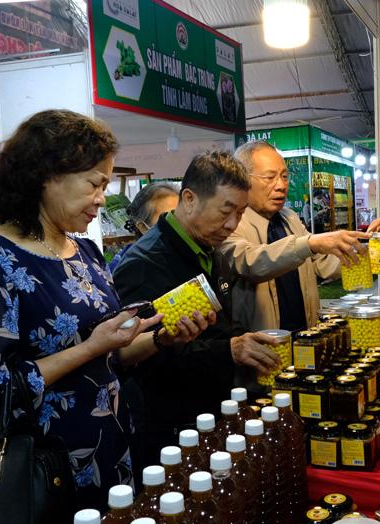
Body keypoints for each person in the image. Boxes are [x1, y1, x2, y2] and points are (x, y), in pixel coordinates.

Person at [0, 110, 208, 512]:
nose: (102, 198)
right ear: (47, 175)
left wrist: (159, 338)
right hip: (43, 472)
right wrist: (88, 348)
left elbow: (111, 357)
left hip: (113, 453)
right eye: (95, 183)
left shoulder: (85, 252)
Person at [112, 151, 280, 476]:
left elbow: (216, 327)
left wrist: (239, 341)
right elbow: (140, 359)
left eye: (240, 214)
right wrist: (228, 350)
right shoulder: (143, 266)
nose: (232, 225)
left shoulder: (208, 250)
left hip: (212, 414)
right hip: (170, 435)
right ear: (188, 199)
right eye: (225, 211)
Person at [222, 141, 369, 334]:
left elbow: (321, 264)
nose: (281, 185)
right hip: (263, 347)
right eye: (270, 177)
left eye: (284, 176)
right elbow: (252, 262)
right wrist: (310, 243)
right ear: (243, 180)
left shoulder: (289, 218)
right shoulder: (231, 223)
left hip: (305, 338)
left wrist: (370, 254)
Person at [108, 183, 179, 273]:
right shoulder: (125, 267)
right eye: (168, 218)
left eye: (181, 216)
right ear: (142, 227)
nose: (178, 223)